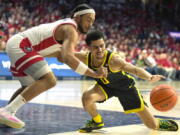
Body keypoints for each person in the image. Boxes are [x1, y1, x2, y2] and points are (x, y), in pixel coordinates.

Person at [0, 4, 107, 129]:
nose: (90, 24)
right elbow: (67, 57)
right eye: (88, 19)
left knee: (28, 87)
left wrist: (80, 56)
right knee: (49, 80)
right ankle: (7, 111)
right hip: (21, 44)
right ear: (77, 18)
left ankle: (6, 114)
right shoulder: (71, 29)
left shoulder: (66, 27)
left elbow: (61, 55)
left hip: (19, 44)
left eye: (93, 21)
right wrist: (93, 74)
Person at [67, 30, 178, 133]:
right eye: (96, 47)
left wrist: (149, 77)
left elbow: (135, 69)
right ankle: (97, 121)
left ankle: (159, 122)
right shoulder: (86, 57)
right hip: (105, 87)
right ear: (89, 48)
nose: (100, 49)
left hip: (125, 88)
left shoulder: (114, 60)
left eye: (102, 46)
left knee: (151, 125)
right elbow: (67, 53)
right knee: (87, 97)